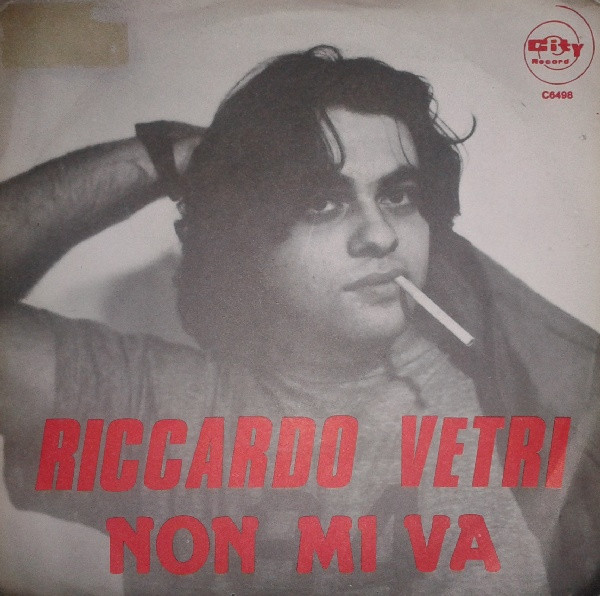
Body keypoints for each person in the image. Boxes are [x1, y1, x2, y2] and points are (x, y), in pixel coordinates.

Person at [0, 46, 598, 594]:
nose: (380, 235)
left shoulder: (495, 382)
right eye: (322, 203)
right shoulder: (156, 406)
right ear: (243, 240)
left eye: (398, 195)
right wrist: (170, 157)